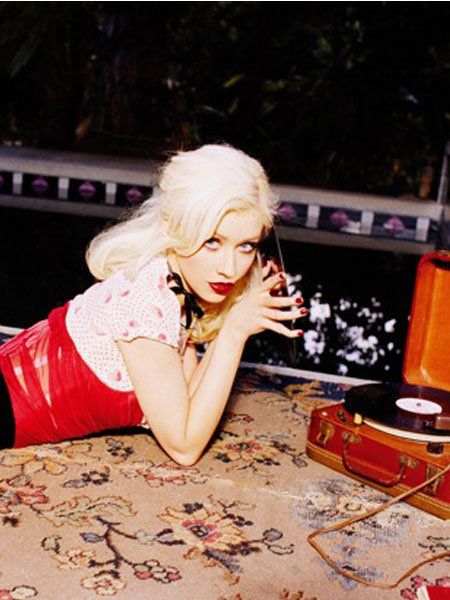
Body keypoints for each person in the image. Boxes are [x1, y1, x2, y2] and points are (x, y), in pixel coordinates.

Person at [0, 144, 306, 465]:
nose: (229, 269)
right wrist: (234, 332)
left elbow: (189, 397)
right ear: (172, 227)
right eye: (212, 241)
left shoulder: (174, 285)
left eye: (245, 246)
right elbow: (184, 447)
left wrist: (231, 322)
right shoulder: (147, 301)